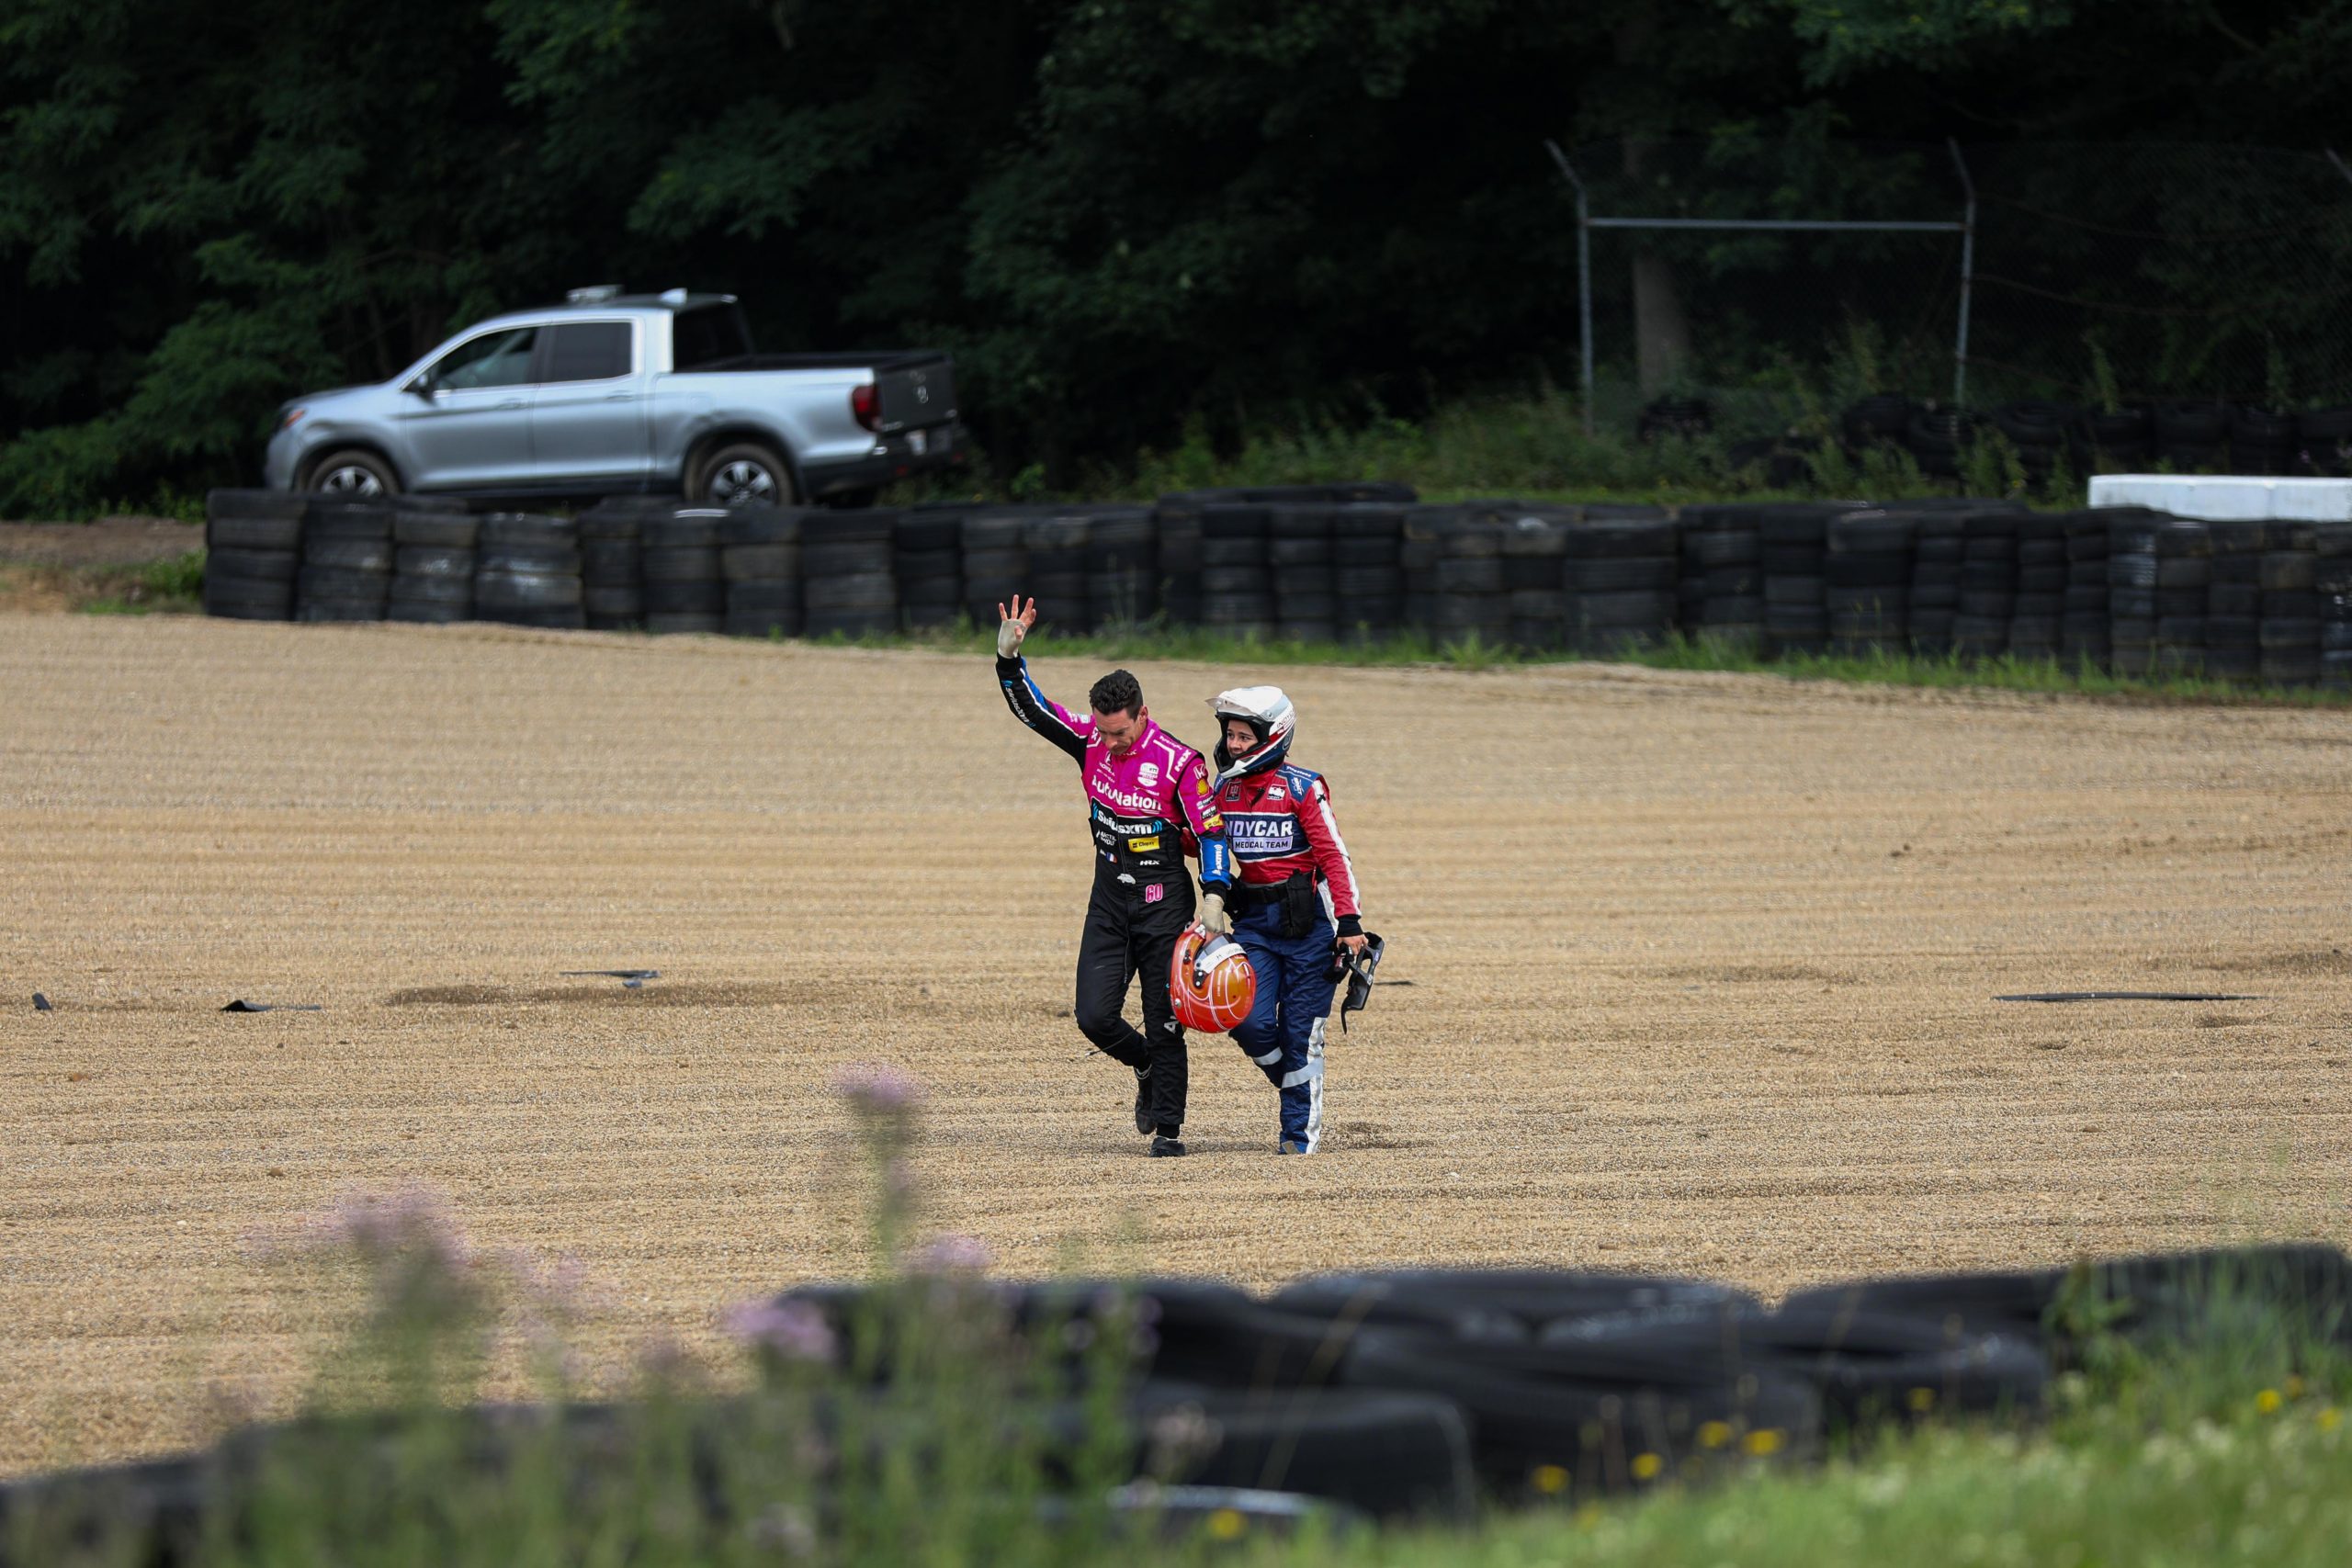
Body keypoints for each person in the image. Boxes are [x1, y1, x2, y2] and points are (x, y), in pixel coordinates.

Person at [995, 595, 1234, 1156]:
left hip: (1164, 905)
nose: (1109, 743)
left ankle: (1170, 1134)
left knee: (1165, 1020)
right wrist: (1009, 659)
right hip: (1108, 900)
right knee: (1094, 1016)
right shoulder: (1090, 740)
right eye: (1103, 733)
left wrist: (1215, 896)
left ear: (1143, 717)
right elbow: (1034, 710)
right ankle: (1143, 1064)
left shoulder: (1182, 763)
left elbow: (1212, 834)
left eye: (1119, 733)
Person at [1205, 686, 1365, 1155]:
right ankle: (1292, 1087)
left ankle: (1298, 1139)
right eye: (1229, 735)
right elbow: (1203, 838)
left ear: (1273, 736)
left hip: (1309, 933)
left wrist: (1349, 923)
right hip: (1253, 926)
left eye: (1242, 736)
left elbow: (1335, 856)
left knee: (1300, 1036)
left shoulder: (1303, 787)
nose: (1233, 745)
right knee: (1246, 1019)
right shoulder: (1222, 790)